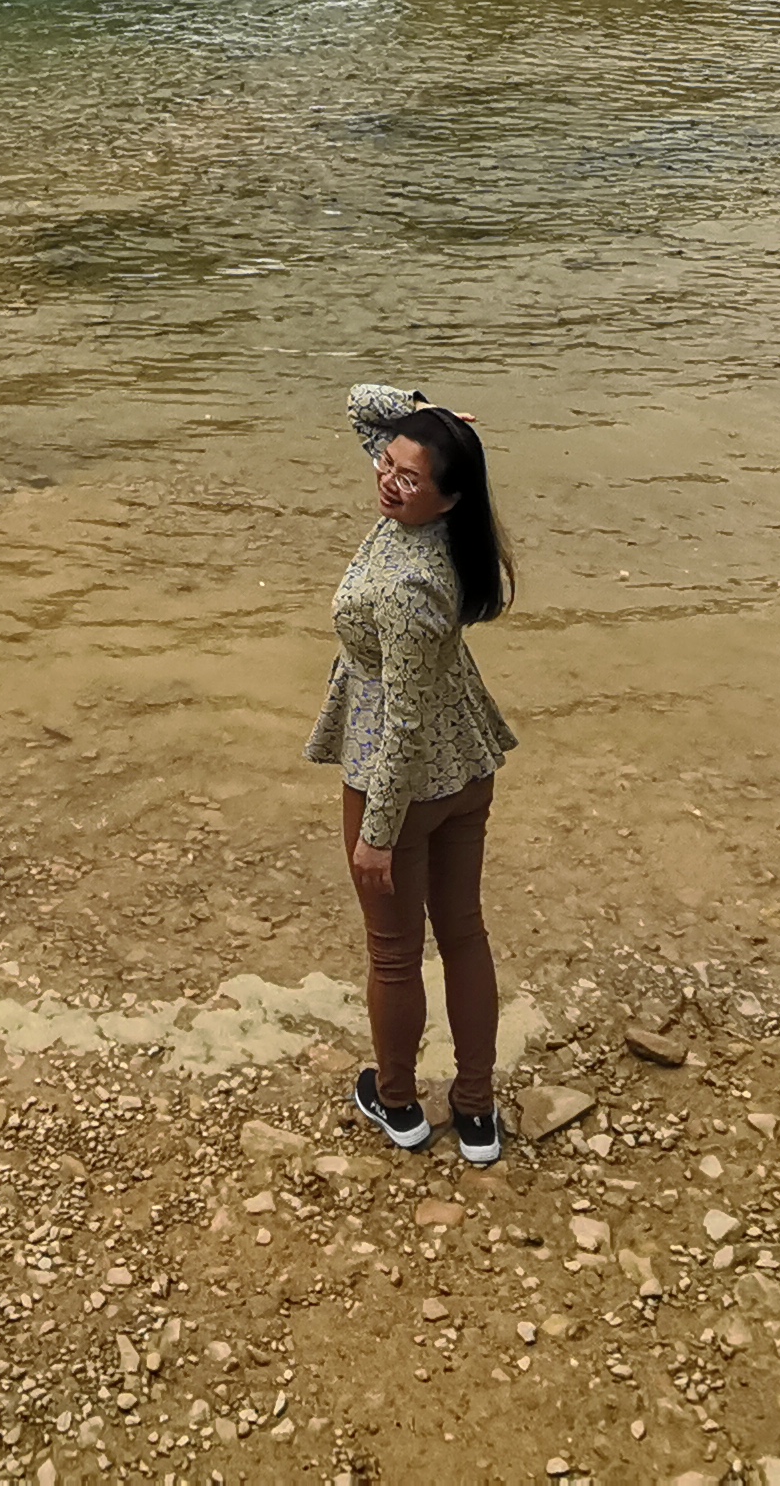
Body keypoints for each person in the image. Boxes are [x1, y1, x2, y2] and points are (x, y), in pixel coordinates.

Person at [306, 386, 518, 1163]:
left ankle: (397, 1103)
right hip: (466, 759)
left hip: (399, 775)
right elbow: (363, 405)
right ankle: (476, 1111)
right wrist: (435, 416)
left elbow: (400, 724)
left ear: (448, 498)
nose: (389, 480)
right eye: (388, 466)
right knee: (463, 933)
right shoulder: (441, 534)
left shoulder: (407, 585)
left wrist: (376, 835)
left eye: (409, 476)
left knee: (394, 953)